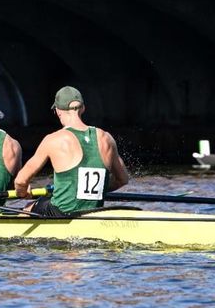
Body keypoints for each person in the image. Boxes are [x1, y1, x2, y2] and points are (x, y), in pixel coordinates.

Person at [14, 86, 130, 217]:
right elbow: (123, 179)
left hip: (61, 213)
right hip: (93, 212)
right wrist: (98, 190)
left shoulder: (53, 139)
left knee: (27, 208)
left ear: (58, 111)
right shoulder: (106, 138)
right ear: (83, 108)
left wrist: (23, 193)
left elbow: (20, 181)